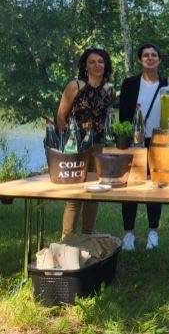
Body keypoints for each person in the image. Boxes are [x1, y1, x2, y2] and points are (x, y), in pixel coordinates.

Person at [56, 47, 115, 239]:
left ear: (105, 65)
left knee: (94, 193)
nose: (97, 65)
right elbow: (61, 117)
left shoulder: (109, 89)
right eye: (92, 62)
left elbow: (107, 120)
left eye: (100, 61)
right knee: (74, 196)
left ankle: (87, 237)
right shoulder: (75, 86)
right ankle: (67, 239)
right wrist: (66, 146)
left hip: (98, 146)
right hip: (75, 148)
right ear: (85, 66)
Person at [118, 43, 167, 251]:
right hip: (134, 142)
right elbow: (123, 116)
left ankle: (153, 232)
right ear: (140, 60)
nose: (150, 58)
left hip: (159, 143)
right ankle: (128, 233)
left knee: (155, 187)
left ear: (159, 60)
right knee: (131, 188)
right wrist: (125, 140)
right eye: (145, 55)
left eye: (154, 55)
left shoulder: (167, 84)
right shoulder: (129, 84)